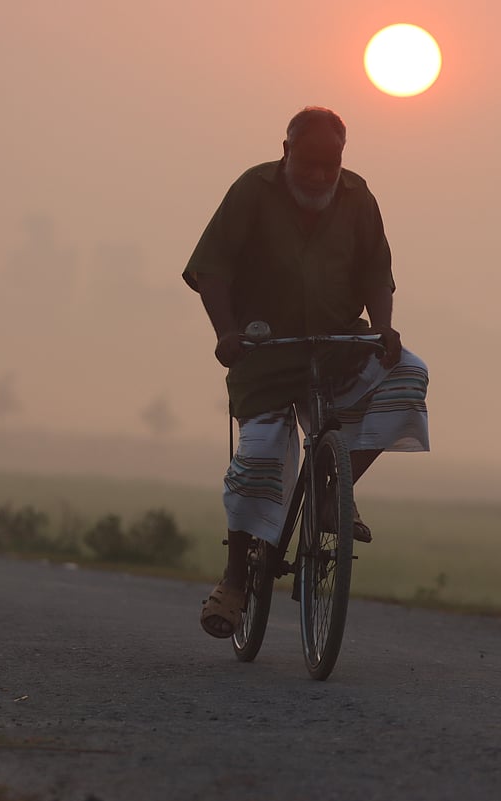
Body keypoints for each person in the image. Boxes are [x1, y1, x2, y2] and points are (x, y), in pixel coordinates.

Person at [183, 106, 430, 639]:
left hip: (337, 347)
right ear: (286, 150)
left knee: (408, 374)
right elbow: (212, 268)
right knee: (259, 462)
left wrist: (383, 328)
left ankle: (330, 489)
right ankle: (235, 580)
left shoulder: (358, 197)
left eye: (332, 165)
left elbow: (376, 273)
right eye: (311, 164)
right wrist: (226, 334)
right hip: (264, 355)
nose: (321, 177)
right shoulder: (252, 190)